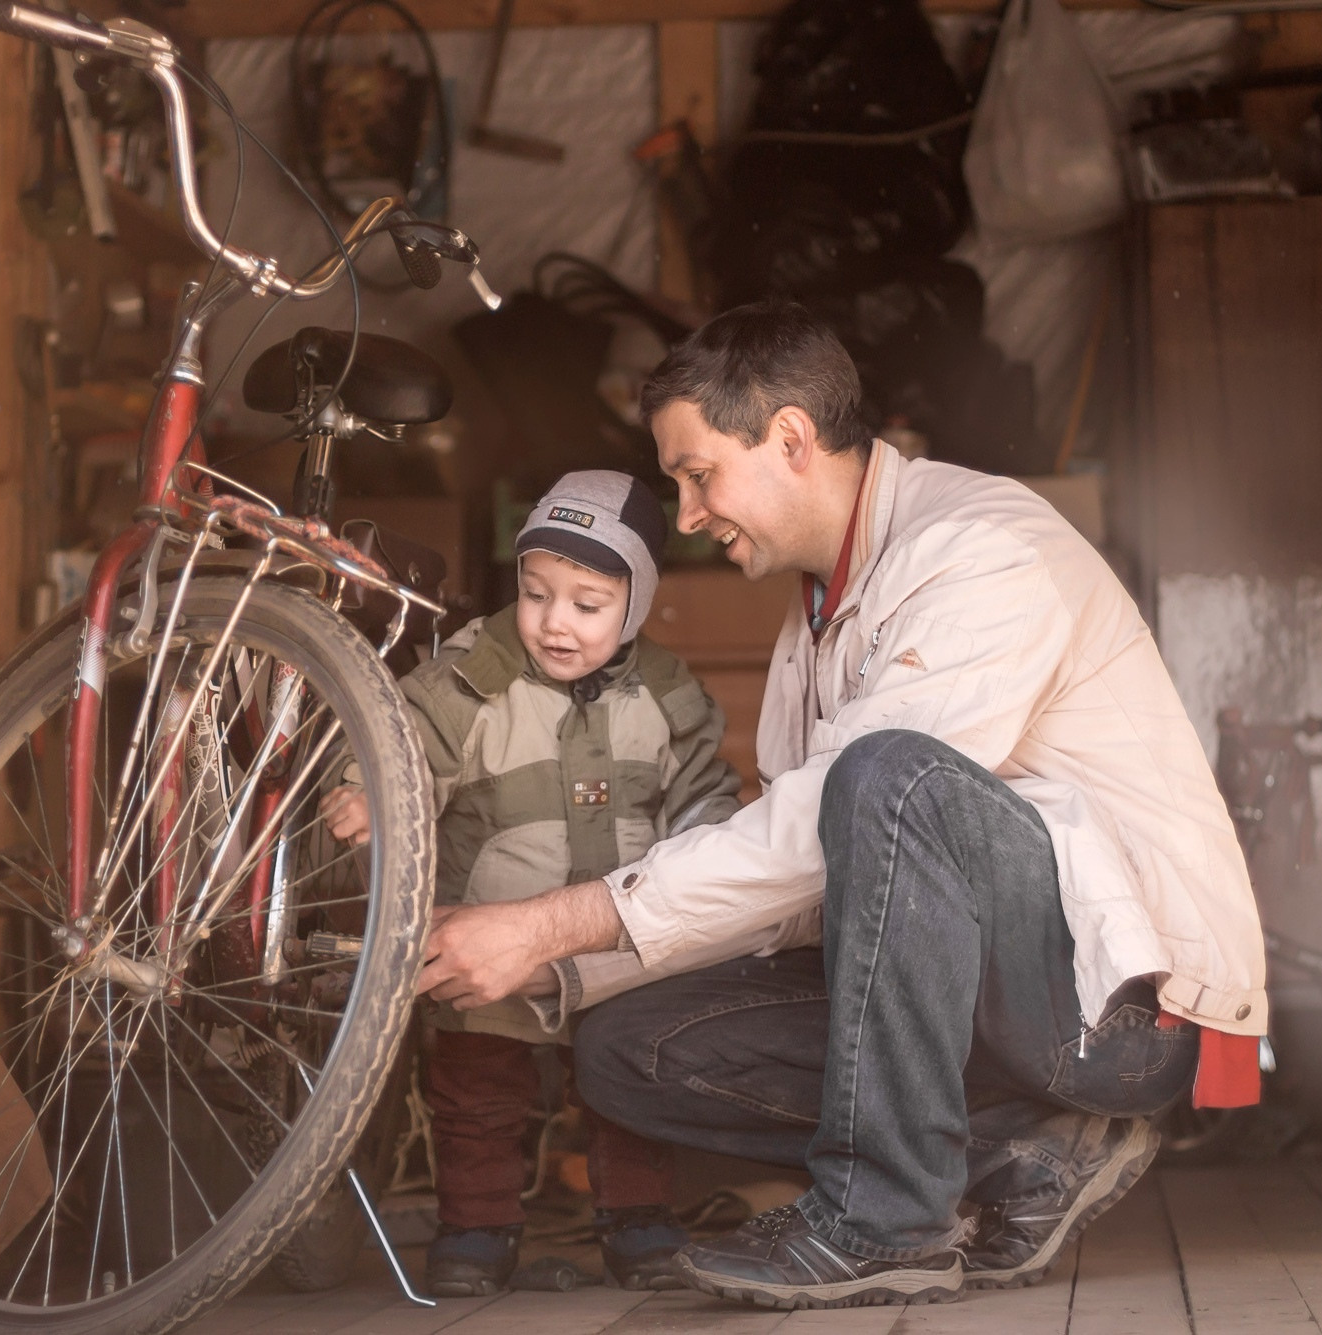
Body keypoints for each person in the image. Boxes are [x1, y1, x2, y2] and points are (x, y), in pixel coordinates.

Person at [411, 304, 1267, 1310]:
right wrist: (550, 970)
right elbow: (794, 887)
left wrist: (550, 919)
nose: (685, 516)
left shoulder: (979, 549)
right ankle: (1024, 1153)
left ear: (787, 438)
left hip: (1121, 1010)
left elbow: (831, 820)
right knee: (624, 1049)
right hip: (995, 1003)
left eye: (696, 476)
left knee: (884, 777)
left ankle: (888, 1224)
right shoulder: (818, 604)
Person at [324, 470, 744, 1296]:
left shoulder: (665, 691)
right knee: (476, 1095)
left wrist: (706, 851)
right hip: (489, 949)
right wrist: (371, 785)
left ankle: (639, 1218)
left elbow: (705, 793)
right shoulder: (478, 671)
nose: (555, 621)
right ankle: (477, 1227)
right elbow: (406, 731)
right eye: (536, 592)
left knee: (626, 1083)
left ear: (637, 603)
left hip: (619, 954)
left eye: (587, 603)